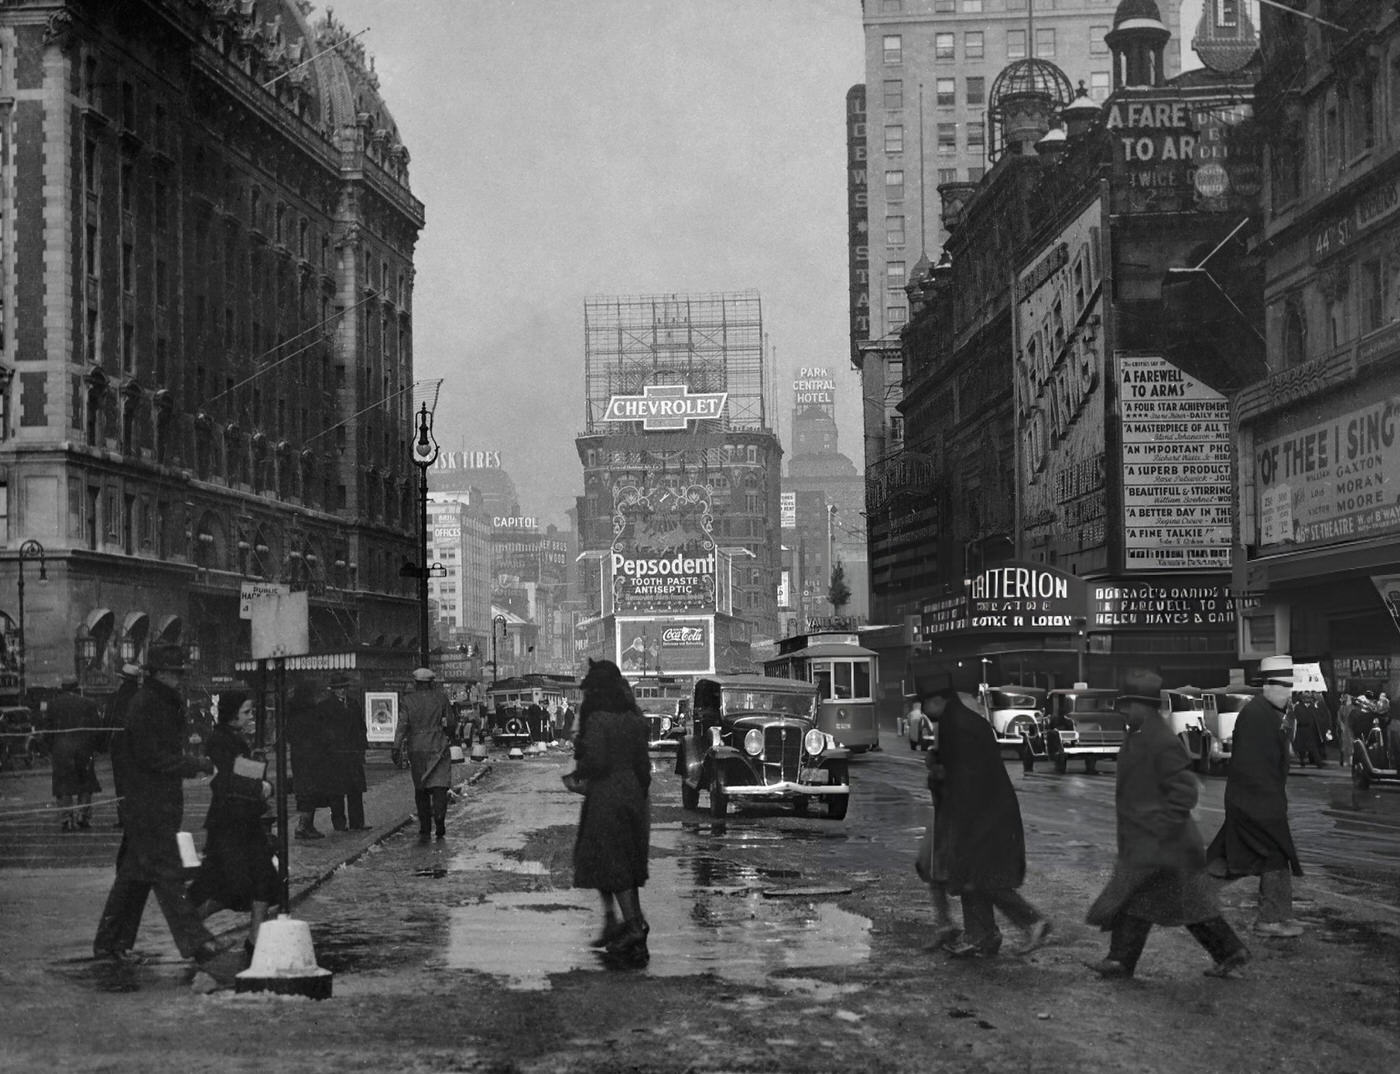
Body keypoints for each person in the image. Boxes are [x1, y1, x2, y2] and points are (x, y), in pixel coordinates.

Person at [1085, 669, 1251, 979]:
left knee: (1171, 903)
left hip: (1165, 844)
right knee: (1160, 903)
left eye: (1128, 705)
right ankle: (1228, 951)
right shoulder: (1140, 735)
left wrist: (1157, 826)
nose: (1123, 710)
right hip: (1156, 843)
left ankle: (1122, 960)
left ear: (1142, 706)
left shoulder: (1160, 741)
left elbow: (1183, 792)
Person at [92, 645, 237, 981]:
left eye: (180, 672)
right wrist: (195, 764)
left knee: (133, 878)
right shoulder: (148, 704)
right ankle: (198, 943)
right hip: (149, 805)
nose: (179, 677)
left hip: (151, 804)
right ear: (157, 673)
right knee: (167, 875)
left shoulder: (157, 701)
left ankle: (109, 943)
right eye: (174, 672)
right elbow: (151, 756)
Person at [914, 667, 1052, 958]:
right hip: (985, 811)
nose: (924, 712)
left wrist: (938, 776)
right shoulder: (962, 720)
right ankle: (982, 936)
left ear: (938, 700)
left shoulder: (955, 726)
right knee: (971, 876)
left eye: (925, 704)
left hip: (981, 814)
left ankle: (1031, 921)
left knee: (982, 878)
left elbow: (963, 778)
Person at [1206, 654, 1305, 938]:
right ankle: (1270, 919)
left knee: (1233, 857)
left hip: (1254, 803)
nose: (1288, 692)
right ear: (1267, 686)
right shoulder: (1257, 715)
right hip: (1254, 804)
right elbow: (1251, 767)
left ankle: (1191, 896)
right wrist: (1269, 804)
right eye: (1283, 686)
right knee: (1272, 853)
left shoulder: (1267, 713)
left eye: (1290, 687)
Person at [569, 658, 652, 965]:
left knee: (611, 859)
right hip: (633, 793)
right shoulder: (633, 716)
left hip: (607, 795)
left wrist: (582, 764)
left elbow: (596, 761)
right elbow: (644, 764)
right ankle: (625, 923)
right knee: (625, 858)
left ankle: (632, 927)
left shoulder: (599, 718)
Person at [187, 691, 278, 958]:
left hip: (246, 821)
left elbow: (244, 774)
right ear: (232, 713)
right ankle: (190, 929)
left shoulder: (235, 738)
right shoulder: (220, 740)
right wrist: (261, 786)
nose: (251, 717)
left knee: (264, 880)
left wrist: (258, 771)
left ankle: (255, 939)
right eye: (247, 712)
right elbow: (229, 780)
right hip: (228, 824)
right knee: (226, 886)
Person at [394, 667, 454, 840]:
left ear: (415, 683)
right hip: (438, 746)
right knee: (440, 786)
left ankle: (425, 826)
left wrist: (396, 746)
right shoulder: (440, 698)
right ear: (431, 683)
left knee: (421, 789)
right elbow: (450, 722)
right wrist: (448, 735)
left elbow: (402, 725)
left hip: (417, 747)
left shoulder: (408, 700)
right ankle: (440, 819)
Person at [49, 678, 102, 831]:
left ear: (63, 688)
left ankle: (66, 818)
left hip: (61, 748)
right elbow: (96, 728)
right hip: (84, 748)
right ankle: (82, 817)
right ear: (76, 688)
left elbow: (48, 728)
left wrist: (50, 748)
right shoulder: (88, 703)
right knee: (85, 784)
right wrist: (96, 746)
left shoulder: (54, 704)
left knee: (63, 785)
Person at [286, 680, 336, 840]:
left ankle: (306, 825)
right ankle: (303, 826)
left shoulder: (294, 712)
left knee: (305, 792)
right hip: (312, 757)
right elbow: (322, 733)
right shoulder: (311, 712)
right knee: (310, 792)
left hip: (300, 757)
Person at [322, 673, 370, 832]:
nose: (342, 691)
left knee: (355, 790)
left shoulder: (354, 704)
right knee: (337, 791)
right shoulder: (326, 706)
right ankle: (339, 823)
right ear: (333, 690)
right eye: (338, 689)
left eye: (343, 688)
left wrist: (362, 748)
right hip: (335, 754)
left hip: (353, 753)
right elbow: (323, 731)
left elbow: (361, 727)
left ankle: (357, 823)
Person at [103, 663, 143, 829]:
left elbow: (108, 722)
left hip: (120, 744)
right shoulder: (142, 696)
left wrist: (104, 743)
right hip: (140, 745)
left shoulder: (115, 697)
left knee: (121, 783)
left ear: (122, 680)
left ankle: (123, 817)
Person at [1291, 691, 1330, 768]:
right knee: (1301, 748)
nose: (1307, 699)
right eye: (1305, 698)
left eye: (1308, 698)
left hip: (1311, 730)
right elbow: (1296, 717)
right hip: (1301, 729)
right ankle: (1302, 761)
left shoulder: (1313, 707)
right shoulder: (1298, 707)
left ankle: (1318, 763)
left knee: (1313, 747)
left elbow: (1317, 718)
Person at [1335, 693, 1355, 769]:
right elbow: (1339, 718)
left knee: (1350, 744)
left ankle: (1350, 761)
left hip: (1350, 728)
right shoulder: (1342, 708)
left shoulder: (1352, 708)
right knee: (1344, 745)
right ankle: (1343, 760)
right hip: (1345, 728)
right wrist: (1341, 725)